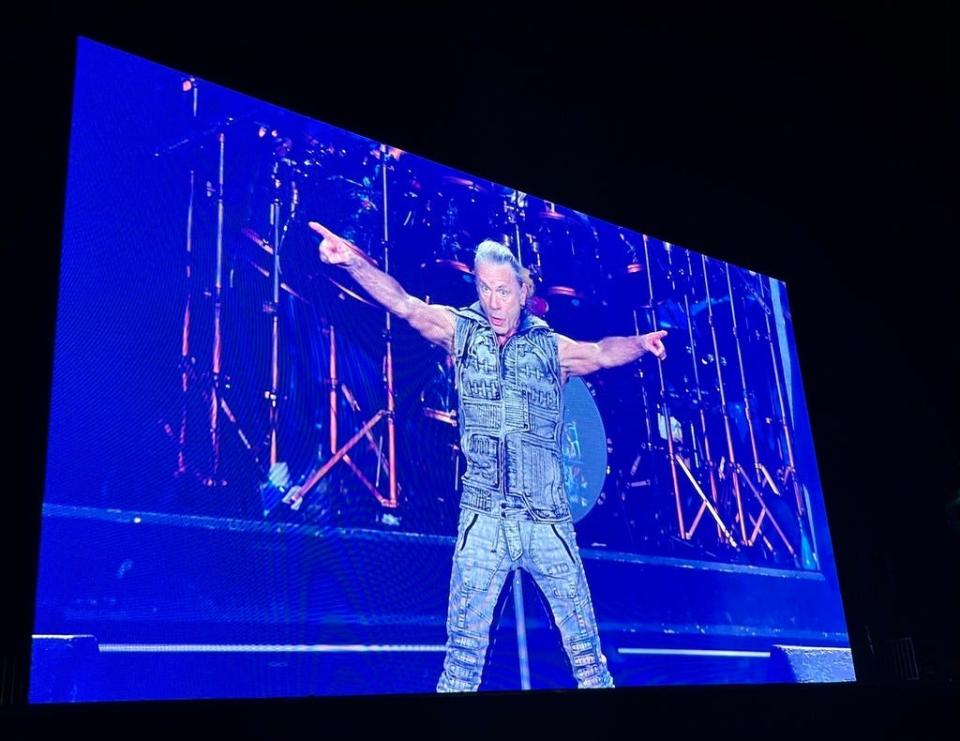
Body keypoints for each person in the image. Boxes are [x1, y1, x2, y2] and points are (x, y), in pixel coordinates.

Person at [308, 221, 667, 691]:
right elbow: (403, 304)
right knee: (461, 666)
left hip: (546, 522)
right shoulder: (463, 332)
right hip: (484, 519)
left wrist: (640, 345)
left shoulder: (550, 349)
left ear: (523, 290)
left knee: (588, 662)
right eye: (485, 288)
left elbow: (599, 352)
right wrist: (354, 261)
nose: (495, 302)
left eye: (503, 291)